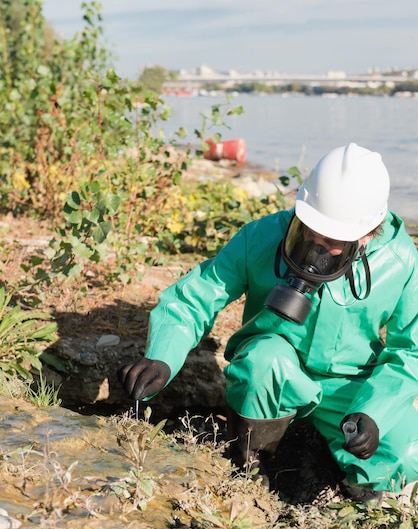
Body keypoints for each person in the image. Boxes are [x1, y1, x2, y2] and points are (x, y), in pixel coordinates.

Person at [118, 143, 418, 500]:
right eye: (308, 226)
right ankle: (250, 466)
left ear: (368, 233)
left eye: (331, 239)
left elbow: (409, 351)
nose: (314, 242)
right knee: (263, 360)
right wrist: (163, 354)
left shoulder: (400, 260)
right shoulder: (262, 236)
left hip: (351, 386)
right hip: (274, 370)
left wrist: (374, 414)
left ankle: (357, 480)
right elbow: (196, 295)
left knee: (407, 451)